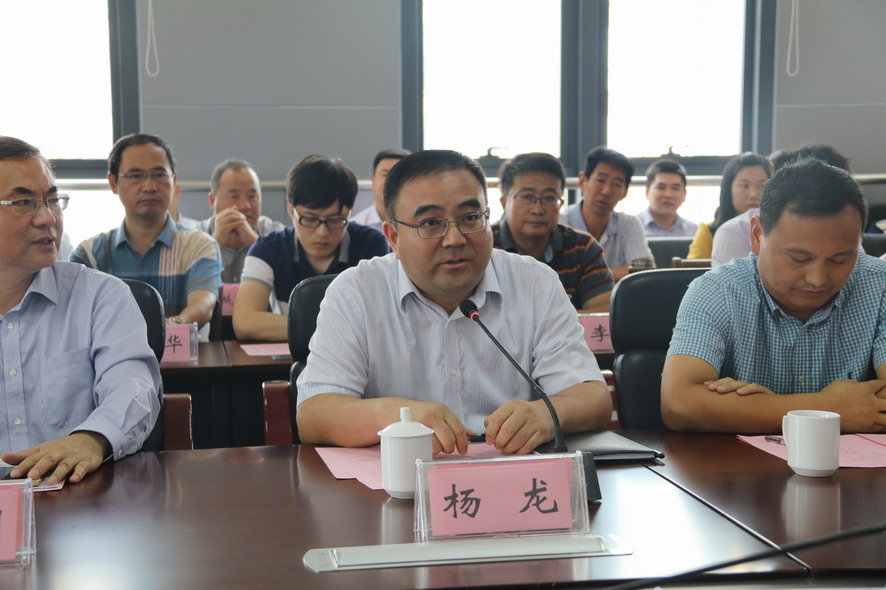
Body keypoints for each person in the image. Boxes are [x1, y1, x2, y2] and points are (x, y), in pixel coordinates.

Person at [296, 150, 612, 455]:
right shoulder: (356, 292)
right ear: (393, 237)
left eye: (470, 217)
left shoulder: (536, 283)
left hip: (512, 479)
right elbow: (314, 415)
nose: (455, 238)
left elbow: (593, 397)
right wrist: (398, 416)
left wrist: (546, 413)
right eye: (431, 223)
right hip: (396, 480)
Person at [662, 158, 886, 434]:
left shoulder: (879, 284)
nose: (817, 278)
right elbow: (679, 403)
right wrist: (829, 407)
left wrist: (760, 407)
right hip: (738, 462)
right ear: (757, 235)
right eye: (799, 258)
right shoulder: (717, 291)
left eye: (839, 259)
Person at [0, 136, 160, 485]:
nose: (47, 218)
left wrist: (92, 438)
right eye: (23, 202)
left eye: (52, 200)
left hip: (81, 496)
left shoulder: (100, 296)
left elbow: (133, 387)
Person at [71, 133, 221, 335]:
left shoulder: (200, 246)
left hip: (181, 355)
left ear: (174, 180)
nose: (150, 187)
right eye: (135, 176)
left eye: (159, 175)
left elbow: (203, 306)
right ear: (113, 183)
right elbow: (77, 319)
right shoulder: (89, 255)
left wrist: (165, 333)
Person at [234, 155, 389, 342]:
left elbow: (379, 322)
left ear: (350, 212)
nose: (322, 232)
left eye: (335, 220)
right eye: (310, 219)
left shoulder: (372, 245)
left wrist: (300, 328)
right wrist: (337, 328)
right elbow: (245, 322)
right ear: (291, 209)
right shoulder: (267, 248)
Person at [492, 152, 613, 312]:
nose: (538, 209)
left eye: (549, 198)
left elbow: (604, 311)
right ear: (504, 202)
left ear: (560, 204)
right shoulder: (484, 247)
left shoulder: (582, 248)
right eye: (527, 197)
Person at [711, 145, 851, 266]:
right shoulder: (733, 232)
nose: (754, 194)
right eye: (798, 258)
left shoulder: (845, 224)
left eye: (762, 185)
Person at [562, 146, 654, 281]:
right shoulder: (561, 222)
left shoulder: (629, 223)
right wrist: (617, 274)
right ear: (582, 181)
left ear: (625, 192)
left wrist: (588, 279)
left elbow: (645, 270)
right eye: (600, 180)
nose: (606, 191)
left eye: (617, 184)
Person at [197, 159, 284, 283]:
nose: (245, 206)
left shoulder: (275, 234)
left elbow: (288, 278)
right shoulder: (195, 236)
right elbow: (185, 284)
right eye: (234, 197)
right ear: (212, 201)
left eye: (252, 196)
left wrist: (255, 243)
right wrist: (215, 244)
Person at [687, 152, 770, 259]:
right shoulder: (709, 231)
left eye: (762, 185)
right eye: (744, 186)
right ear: (728, 188)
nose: (753, 194)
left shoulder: (777, 232)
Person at [350, 149, 411, 232]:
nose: (390, 180)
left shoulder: (421, 224)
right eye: (385, 174)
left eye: (399, 175)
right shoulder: (355, 227)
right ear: (373, 182)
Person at [638, 159, 698, 237]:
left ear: (684, 194)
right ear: (647, 192)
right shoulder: (632, 227)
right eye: (661, 187)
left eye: (675, 188)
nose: (668, 195)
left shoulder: (694, 231)